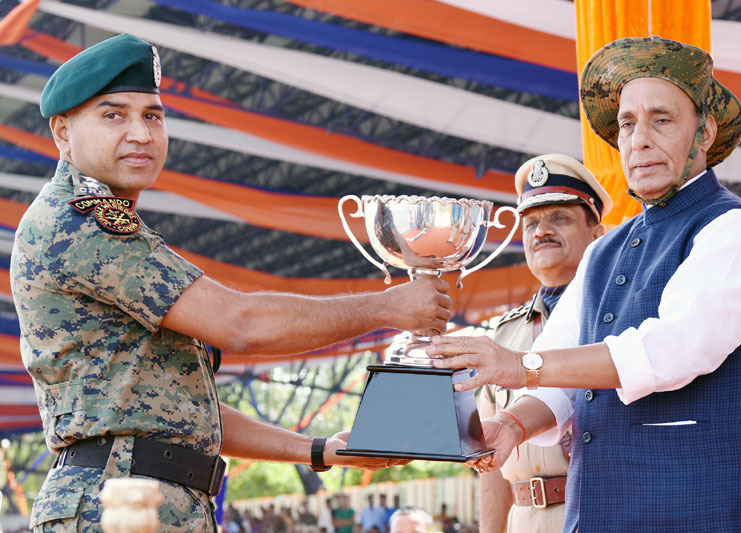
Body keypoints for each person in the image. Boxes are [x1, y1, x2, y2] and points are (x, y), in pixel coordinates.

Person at [12, 34, 451, 533]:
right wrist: (387, 308)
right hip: (114, 507)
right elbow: (239, 324)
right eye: (114, 115)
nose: (140, 133)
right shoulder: (81, 222)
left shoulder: (105, 225)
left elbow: (181, 413)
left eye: (152, 116)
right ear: (62, 133)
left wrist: (317, 450)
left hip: (148, 498)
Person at [428, 36, 741, 532]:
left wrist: (518, 365)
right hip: (603, 513)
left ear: (704, 132)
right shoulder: (603, 249)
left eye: (661, 120)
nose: (638, 139)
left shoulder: (736, 227)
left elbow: (670, 352)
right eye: (627, 124)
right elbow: (560, 373)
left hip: (716, 510)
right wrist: (510, 426)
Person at [477, 154, 609, 533]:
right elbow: (491, 458)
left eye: (560, 218)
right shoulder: (503, 336)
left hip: (602, 514)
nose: (541, 232)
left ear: (597, 234)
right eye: (531, 223)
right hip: (525, 520)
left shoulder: (619, 318)